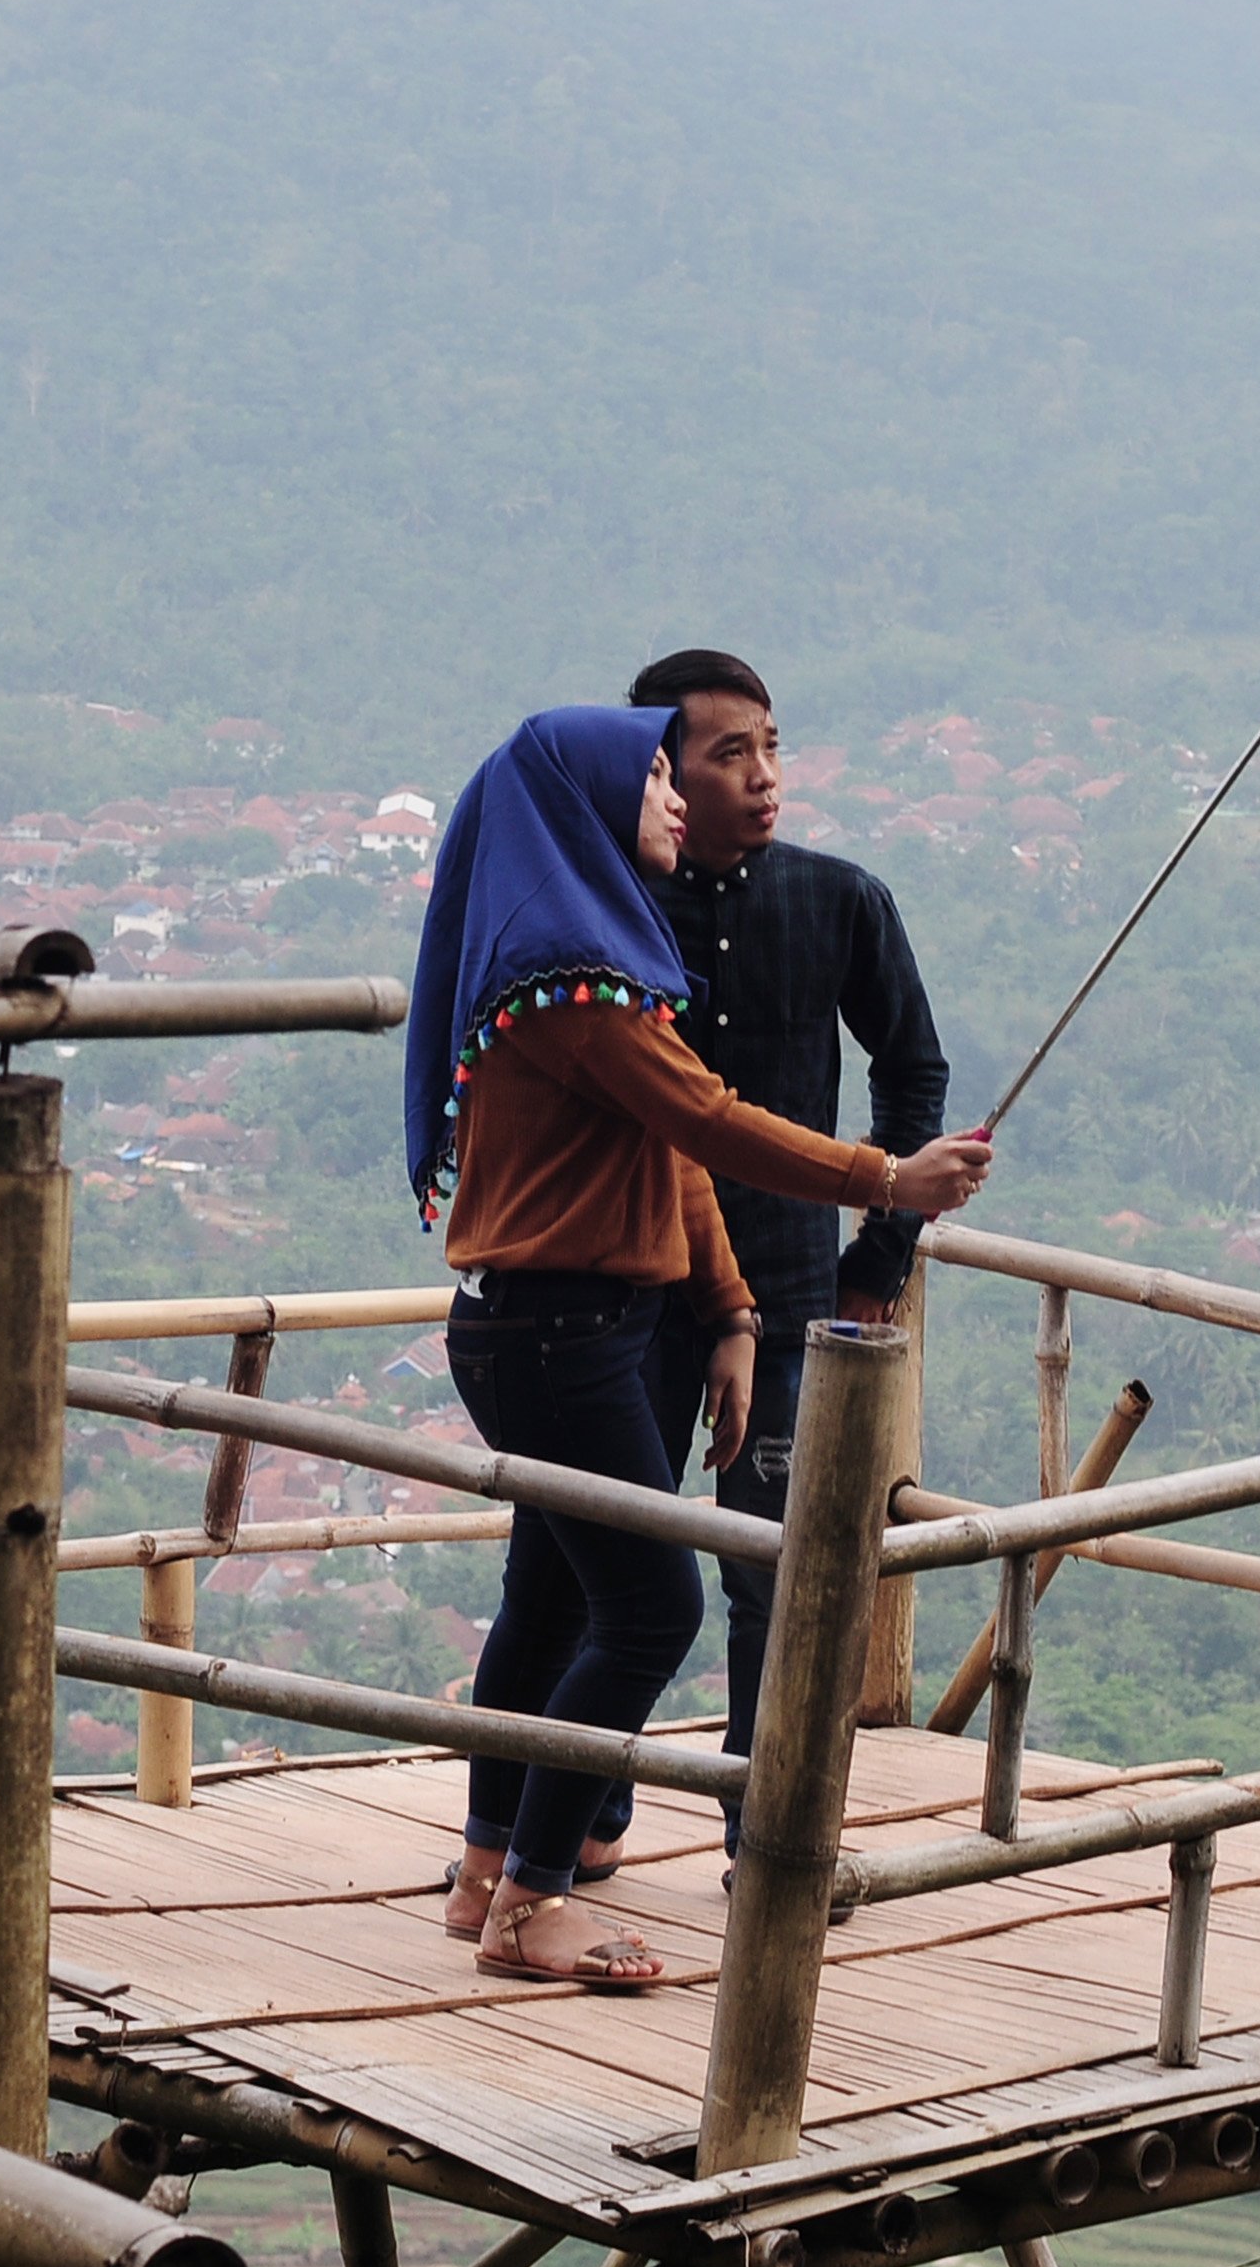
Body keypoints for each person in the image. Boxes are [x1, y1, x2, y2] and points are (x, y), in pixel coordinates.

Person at [408, 704, 991, 1990]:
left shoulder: (590, 959)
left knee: (557, 1599)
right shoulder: (573, 985)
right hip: (556, 1333)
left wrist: (728, 1312)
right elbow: (711, 1120)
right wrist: (885, 1180)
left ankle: (484, 1870)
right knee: (652, 1604)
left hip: (560, 1326)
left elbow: (667, 1153)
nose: (679, 800)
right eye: (659, 779)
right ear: (591, 803)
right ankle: (532, 1900)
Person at [624, 648, 946, 1858]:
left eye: (772, 748)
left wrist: (882, 1252)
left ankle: (757, 1827)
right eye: (729, 754)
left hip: (795, 1287)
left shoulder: (837, 899)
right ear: (662, 770)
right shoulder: (613, 907)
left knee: (771, 1566)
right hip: (633, 1291)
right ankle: (581, 1814)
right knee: (609, 1556)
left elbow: (912, 1073)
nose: (763, 777)